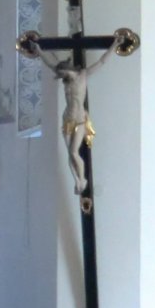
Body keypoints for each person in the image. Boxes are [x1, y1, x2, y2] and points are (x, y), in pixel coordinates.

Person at [34, 41, 118, 195]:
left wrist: (113, 46)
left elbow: (102, 61)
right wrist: (39, 51)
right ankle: (77, 181)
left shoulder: (83, 75)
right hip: (67, 119)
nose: (61, 77)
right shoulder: (65, 79)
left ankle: (83, 179)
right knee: (69, 153)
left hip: (79, 119)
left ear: (67, 71)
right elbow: (49, 63)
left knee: (74, 152)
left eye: (62, 74)